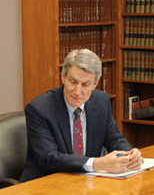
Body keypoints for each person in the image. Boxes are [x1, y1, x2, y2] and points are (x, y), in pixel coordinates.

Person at [20, 49, 142, 181]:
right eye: (73, 82)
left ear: (95, 84)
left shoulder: (101, 102)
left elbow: (114, 139)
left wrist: (130, 155)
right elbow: (49, 158)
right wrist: (97, 164)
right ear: (63, 77)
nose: (77, 92)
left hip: (84, 183)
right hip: (45, 184)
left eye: (85, 85)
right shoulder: (39, 108)